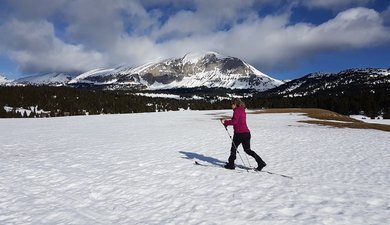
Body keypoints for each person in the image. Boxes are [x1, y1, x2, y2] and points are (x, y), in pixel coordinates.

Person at [220, 98, 267, 171]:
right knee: (248, 150)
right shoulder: (242, 110)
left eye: (232, 104)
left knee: (233, 148)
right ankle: (261, 162)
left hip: (239, 134)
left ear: (235, 104)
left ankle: (231, 164)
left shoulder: (236, 110)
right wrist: (227, 121)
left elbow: (234, 121)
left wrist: (225, 122)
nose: (231, 106)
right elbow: (237, 120)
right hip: (247, 133)